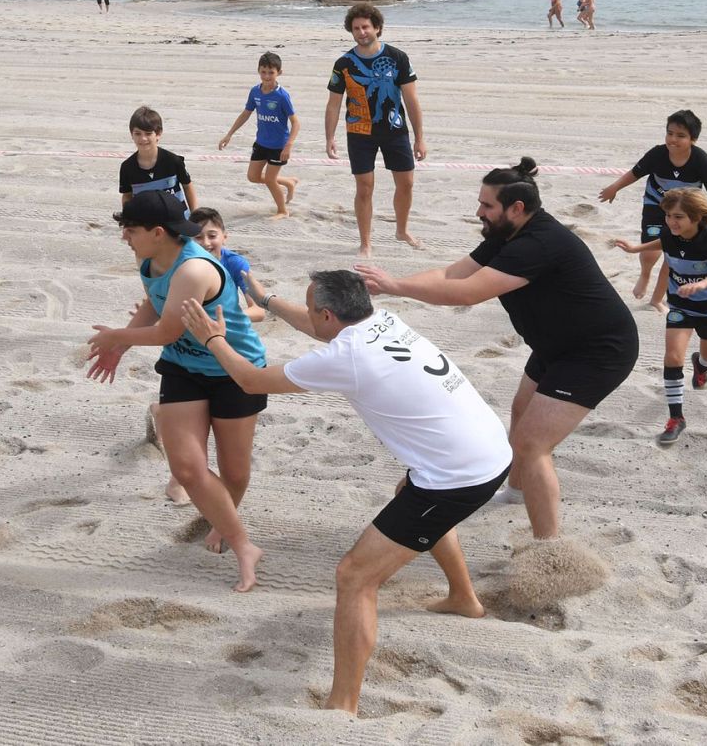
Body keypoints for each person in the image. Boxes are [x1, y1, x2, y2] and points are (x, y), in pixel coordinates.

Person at [177, 270, 509, 716]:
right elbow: (316, 323)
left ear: (330, 314)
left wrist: (212, 338)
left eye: (313, 307)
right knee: (411, 495)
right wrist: (268, 300)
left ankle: (342, 705)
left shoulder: (346, 357)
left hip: (458, 474)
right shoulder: (383, 319)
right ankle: (463, 599)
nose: (310, 314)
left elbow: (251, 381)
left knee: (355, 577)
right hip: (488, 449)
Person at [357, 158, 638, 540]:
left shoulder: (538, 243)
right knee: (521, 410)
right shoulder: (506, 236)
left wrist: (397, 287)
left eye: (487, 205)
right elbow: (451, 274)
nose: (479, 212)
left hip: (596, 351)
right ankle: (517, 494)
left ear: (516, 208)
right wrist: (391, 283)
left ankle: (548, 548)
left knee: (532, 443)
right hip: (556, 344)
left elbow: (467, 292)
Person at [86, 190, 268, 592]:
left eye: (129, 230)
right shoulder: (148, 256)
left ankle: (224, 521)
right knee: (187, 468)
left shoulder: (194, 270)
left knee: (234, 473)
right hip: (185, 367)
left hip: (232, 368)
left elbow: (169, 330)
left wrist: (114, 334)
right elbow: (155, 304)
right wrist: (122, 345)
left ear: (157, 232)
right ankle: (243, 544)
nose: (124, 238)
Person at [613, 188, 707, 446]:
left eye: (678, 217)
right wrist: (636, 249)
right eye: (668, 215)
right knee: (672, 356)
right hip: (680, 305)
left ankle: (701, 366)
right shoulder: (671, 234)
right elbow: (664, 241)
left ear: (697, 217)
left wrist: (702, 285)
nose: (671, 222)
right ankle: (676, 418)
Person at [597, 110, 707, 312]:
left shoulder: (700, 159)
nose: (673, 139)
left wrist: (705, 221)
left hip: (685, 214)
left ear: (693, 139)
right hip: (656, 205)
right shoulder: (657, 154)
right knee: (651, 249)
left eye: (681, 135)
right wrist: (614, 187)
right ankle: (645, 273)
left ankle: (657, 299)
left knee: (672, 257)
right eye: (670, 133)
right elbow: (635, 173)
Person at [324, 3, 427, 258]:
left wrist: (420, 138)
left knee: (407, 184)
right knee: (365, 187)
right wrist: (330, 137)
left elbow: (412, 101)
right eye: (356, 28)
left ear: (377, 28)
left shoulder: (398, 58)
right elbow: (333, 104)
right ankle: (366, 242)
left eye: (366, 27)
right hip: (359, 132)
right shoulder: (343, 63)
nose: (361, 32)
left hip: (395, 130)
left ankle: (401, 230)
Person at [218, 51, 301, 219]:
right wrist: (229, 134)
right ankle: (288, 182)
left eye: (271, 72)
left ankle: (283, 211)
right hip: (261, 143)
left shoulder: (282, 96)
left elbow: (296, 123)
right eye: (263, 72)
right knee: (253, 177)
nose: (267, 76)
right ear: (258, 71)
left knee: (270, 180)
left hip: (279, 146)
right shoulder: (255, 91)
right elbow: (246, 113)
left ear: (279, 73)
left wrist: (289, 145)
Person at [189, 208, 267, 324]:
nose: (205, 243)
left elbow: (258, 311)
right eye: (198, 237)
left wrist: (218, 318)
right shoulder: (183, 263)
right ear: (188, 240)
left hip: (224, 323)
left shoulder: (235, 263)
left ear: (224, 237)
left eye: (212, 236)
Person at [119, 105, 197, 212]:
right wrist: (128, 221)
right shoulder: (127, 167)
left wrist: (195, 215)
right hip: (147, 223)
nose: (143, 138)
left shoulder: (173, 161)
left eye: (148, 133)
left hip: (178, 220)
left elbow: (187, 187)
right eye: (137, 133)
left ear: (158, 134)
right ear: (131, 134)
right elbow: (127, 196)